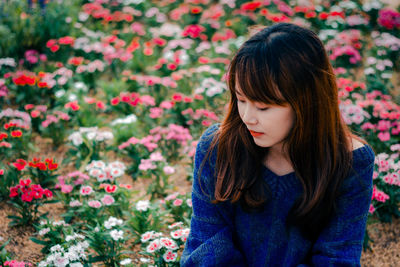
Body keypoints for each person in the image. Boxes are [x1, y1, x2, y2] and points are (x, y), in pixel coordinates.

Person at [180, 23, 375, 266]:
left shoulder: (351, 162)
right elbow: (207, 244)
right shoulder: (218, 147)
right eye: (241, 99)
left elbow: (337, 257)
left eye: (263, 107)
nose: (248, 117)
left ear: (306, 103)